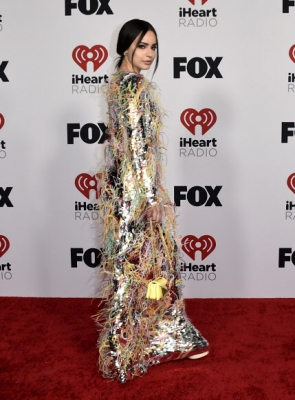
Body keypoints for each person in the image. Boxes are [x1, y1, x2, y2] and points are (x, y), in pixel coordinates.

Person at [94, 19, 209, 383]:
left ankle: (149, 341)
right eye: (142, 45)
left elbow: (128, 150)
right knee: (139, 269)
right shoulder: (134, 89)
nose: (149, 54)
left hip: (125, 191)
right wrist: (150, 198)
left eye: (154, 47)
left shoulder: (117, 85)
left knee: (143, 268)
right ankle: (125, 350)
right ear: (125, 46)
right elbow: (139, 151)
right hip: (135, 194)